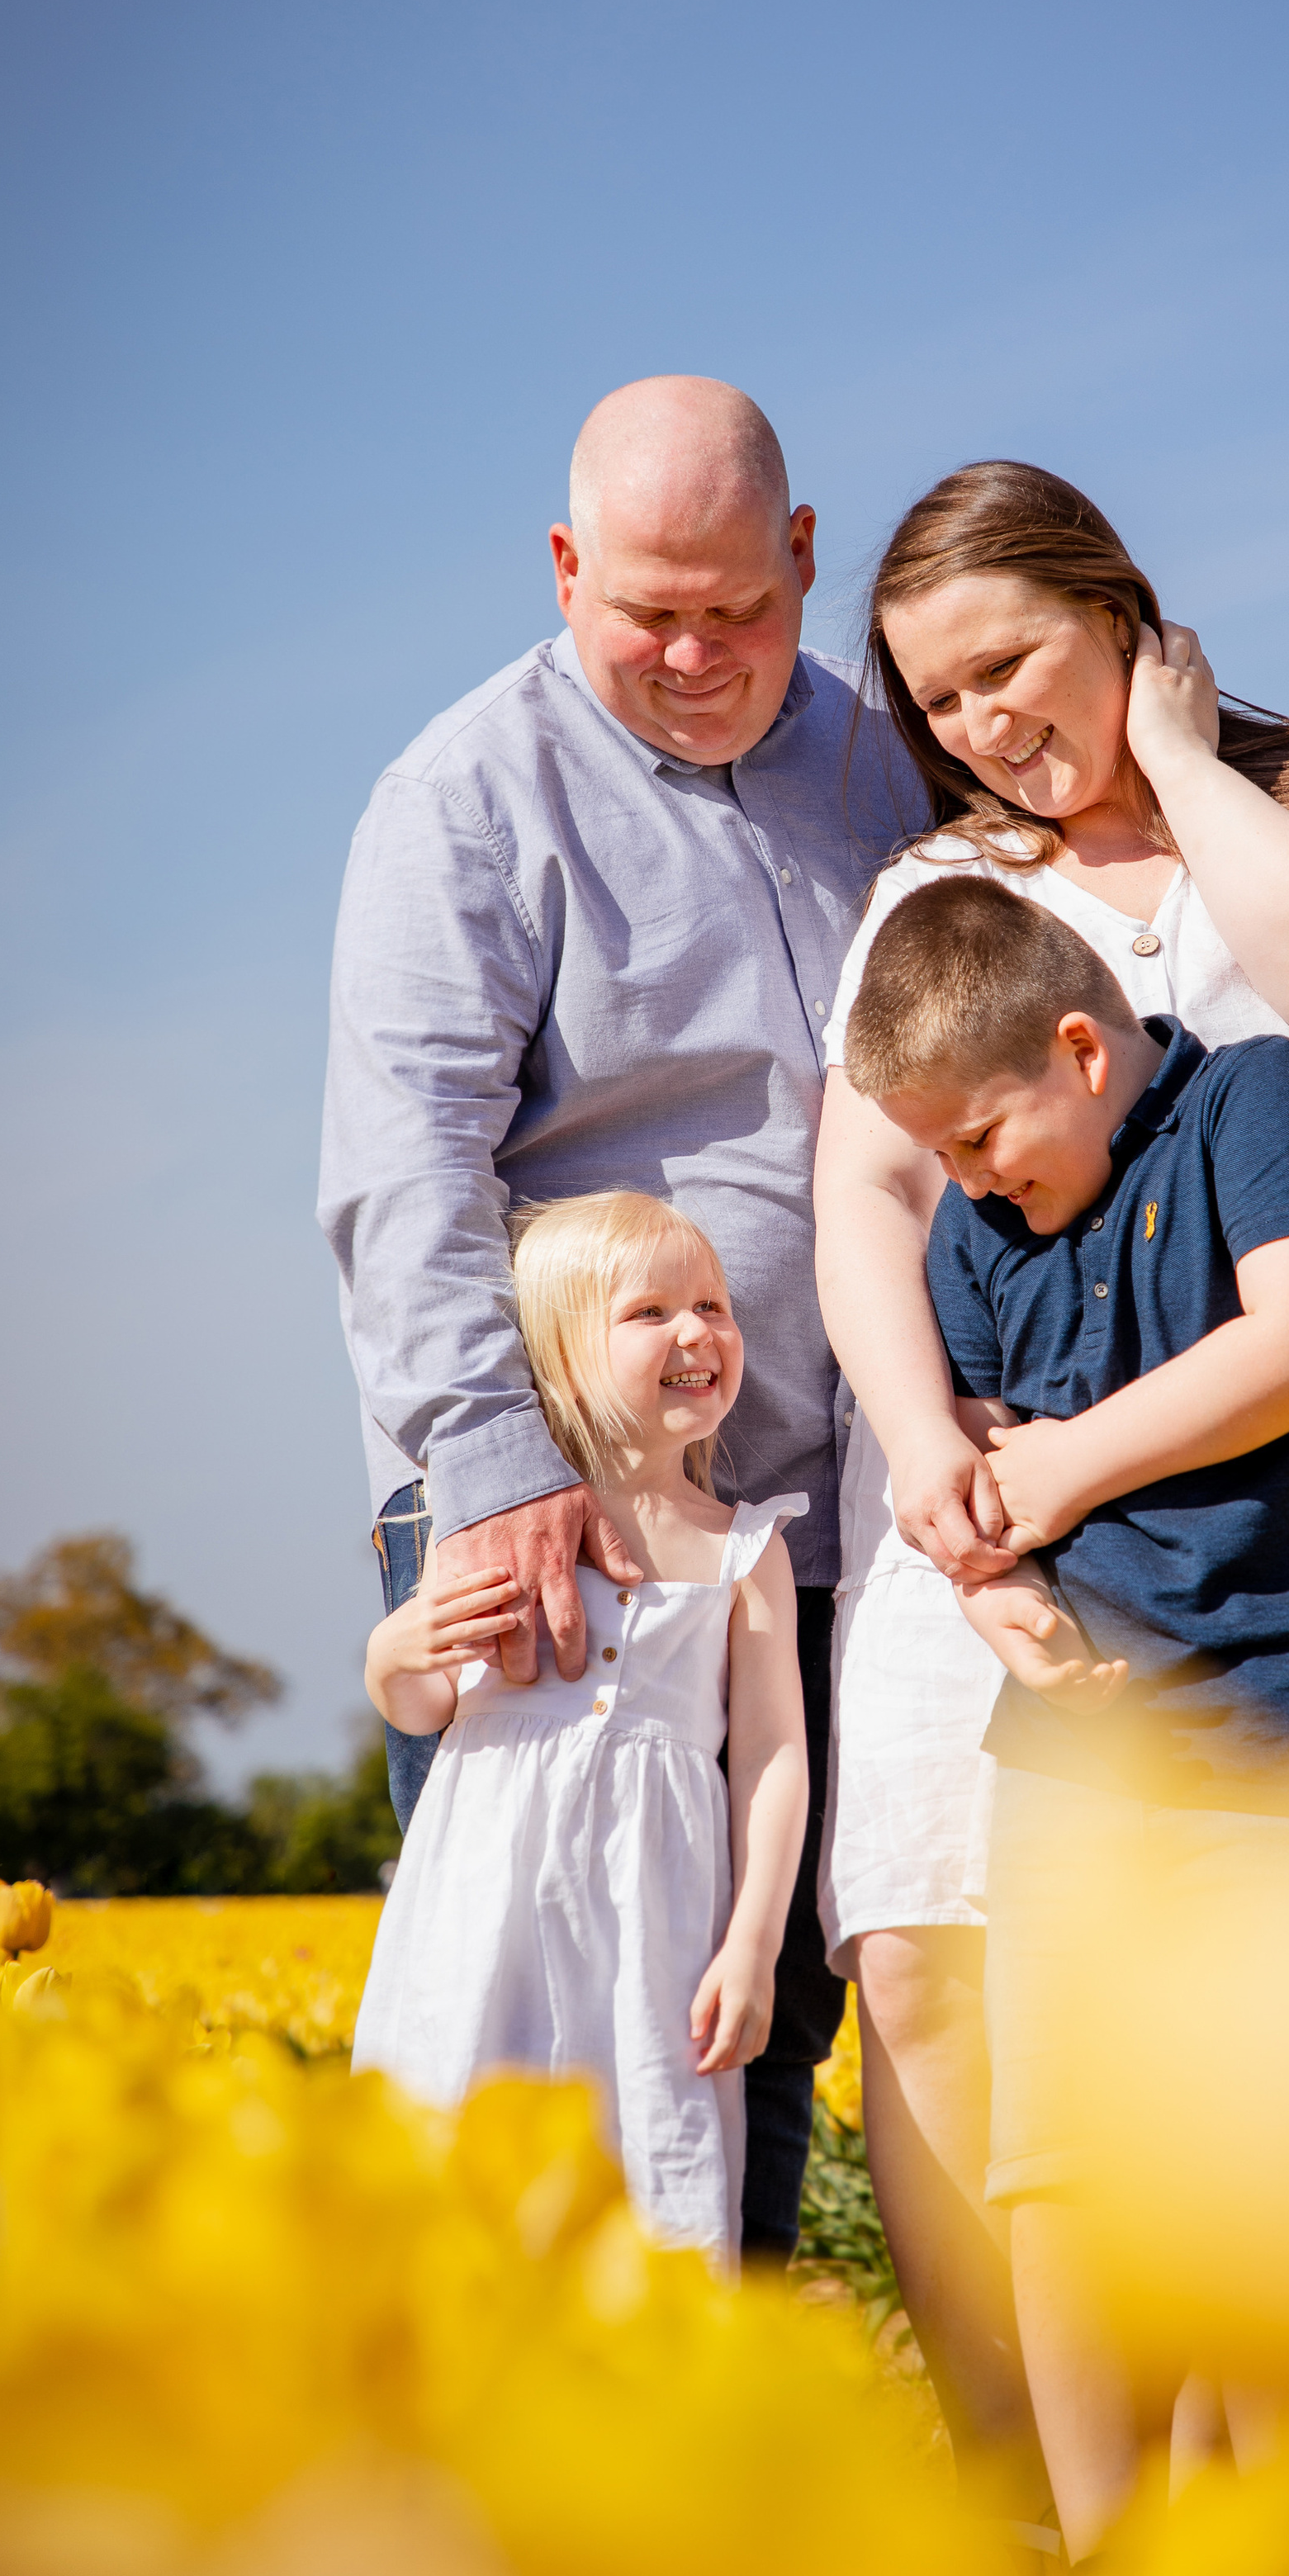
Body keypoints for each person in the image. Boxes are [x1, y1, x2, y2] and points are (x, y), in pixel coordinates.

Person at [812, 457, 1289, 2431]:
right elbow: (861, 1191)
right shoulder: (943, 894)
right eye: (933, 700)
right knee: (932, 1967)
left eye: (1007, 661)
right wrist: (919, 1432)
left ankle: (1255, 2502)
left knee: (1269, 2016)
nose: (980, 726)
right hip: (1006, 1512)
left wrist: (1187, 767)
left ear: (1112, 603)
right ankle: (1018, 2507)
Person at [319, 375, 926, 2260]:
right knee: (532, 2032)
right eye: (643, 609)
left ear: (805, 561)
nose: (689, 653)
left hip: (834, 1518)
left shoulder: (884, 768)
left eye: (737, 611)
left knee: (745, 2026)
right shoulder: (461, 800)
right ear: (565, 568)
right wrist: (505, 1473)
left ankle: (697, 2480)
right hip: (564, 1517)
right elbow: (403, 1168)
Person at [840, 876, 1289, 2555]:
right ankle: (1108, 2569)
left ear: (1080, 1049)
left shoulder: (1255, 1099)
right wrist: (995, 1587)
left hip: (1286, 1737)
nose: (963, 1185)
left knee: (1267, 2170)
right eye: (935, 1160)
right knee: (1064, 2170)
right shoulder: (975, 1232)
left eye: (978, 1139)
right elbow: (973, 1466)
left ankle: (1258, 2560)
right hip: (1076, 1754)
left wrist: (1055, 1472)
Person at [352, 1192, 808, 2270]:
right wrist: (396, 1654)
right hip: (488, 1898)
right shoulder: (497, 1529)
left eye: (714, 1305)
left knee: (646, 2144)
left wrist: (752, 1943)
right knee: (458, 2124)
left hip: (654, 1919)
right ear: (557, 1359)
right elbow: (425, 1706)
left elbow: (775, 1754)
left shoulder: (747, 1547)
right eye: (650, 1313)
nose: (698, 1333)